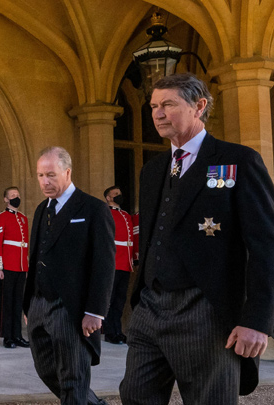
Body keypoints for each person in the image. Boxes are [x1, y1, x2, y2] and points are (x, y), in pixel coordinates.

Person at [120, 74, 274, 404]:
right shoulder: (153, 170)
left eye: (168, 105)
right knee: (135, 394)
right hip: (149, 308)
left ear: (199, 106)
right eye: (153, 106)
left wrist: (257, 321)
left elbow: (266, 244)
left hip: (206, 311)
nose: (158, 113)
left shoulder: (238, 161)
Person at [22, 146, 114, 405]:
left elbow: (104, 264)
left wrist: (96, 311)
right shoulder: (42, 209)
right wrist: (29, 302)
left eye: (50, 175)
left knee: (73, 377)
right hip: (39, 304)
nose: (44, 182)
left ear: (68, 172)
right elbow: (37, 254)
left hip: (71, 308)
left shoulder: (94, 209)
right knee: (47, 369)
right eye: (40, 176)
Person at [0, 186, 29, 349]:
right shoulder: (0, 217)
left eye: (18, 195)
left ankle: (17, 335)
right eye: (13, 196)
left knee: (18, 302)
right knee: (7, 302)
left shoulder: (23, 218)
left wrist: (26, 266)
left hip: (20, 266)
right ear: (6, 199)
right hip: (7, 265)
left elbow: (25, 245)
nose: (16, 198)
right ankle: (8, 336)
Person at [102, 185, 133, 345]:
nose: (119, 196)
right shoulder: (106, 213)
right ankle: (109, 332)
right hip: (113, 261)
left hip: (125, 262)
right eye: (115, 194)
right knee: (110, 299)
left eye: (120, 193)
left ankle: (117, 330)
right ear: (108, 198)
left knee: (120, 300)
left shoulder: (126, 215)